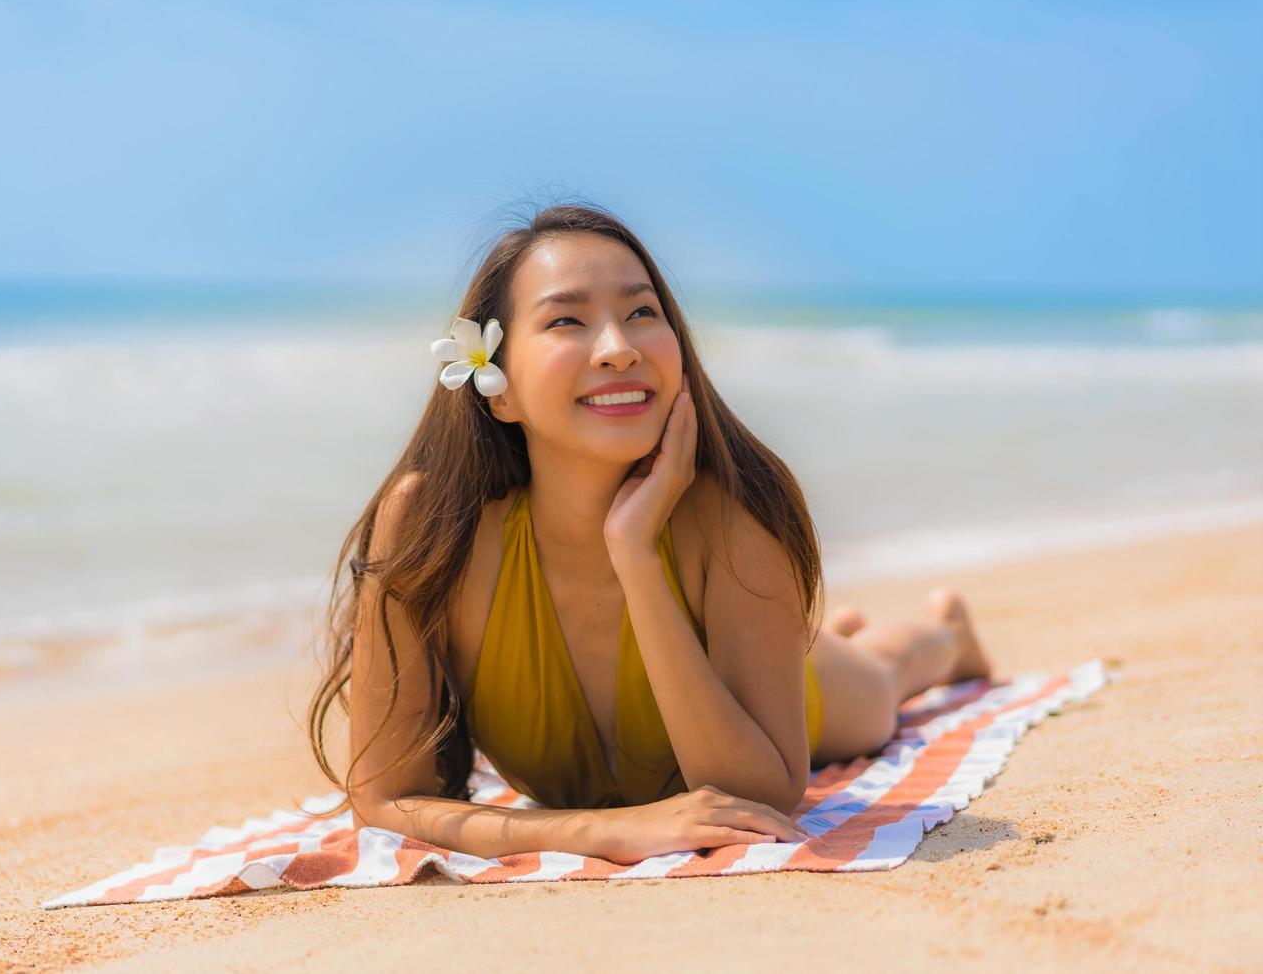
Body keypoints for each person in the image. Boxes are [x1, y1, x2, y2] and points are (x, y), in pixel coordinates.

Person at [306, 202, 992, 866]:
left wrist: (636, 553)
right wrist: (609, 831)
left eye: (642, 313)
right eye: (566, 320)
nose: (618, 348)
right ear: (500, 386)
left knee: (880, 682)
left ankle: (948, 637)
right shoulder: (432, 527)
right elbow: (386, 799)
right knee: (844, 650)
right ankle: (848, 633)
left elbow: (760, 798)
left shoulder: (732, 516)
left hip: (796, 694)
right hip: (749, 646)